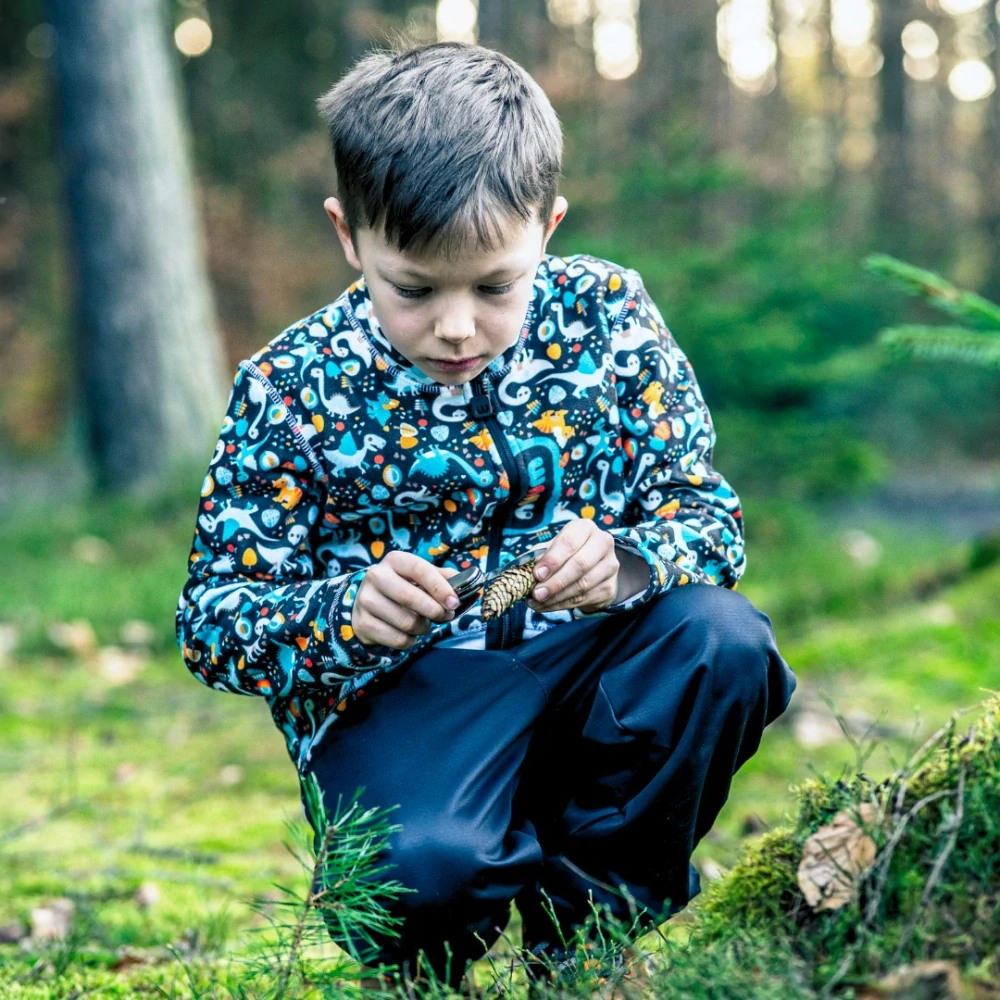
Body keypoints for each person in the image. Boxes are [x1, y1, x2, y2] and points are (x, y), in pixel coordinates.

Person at [174, 39, 796, 991]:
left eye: (496, 286)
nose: (457, 327)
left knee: (724, 642)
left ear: (548, 226)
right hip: (408, 699)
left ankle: (584, 939)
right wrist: (338, 613)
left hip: (596, 661)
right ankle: (434, 923)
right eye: (414, 289)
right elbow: (210, 619)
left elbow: (705, 513)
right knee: (419, 882)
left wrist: (627, 562)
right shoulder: (291, 387)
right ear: (349, 236)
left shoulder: (611, 317)